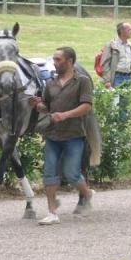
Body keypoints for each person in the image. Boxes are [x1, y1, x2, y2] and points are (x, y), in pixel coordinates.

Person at [30, 47, 95, 225]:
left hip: (74, 134)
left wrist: (65, 115)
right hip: (53, 134)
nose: (54, 63)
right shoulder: (50, 83)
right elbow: (47, 106)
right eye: (54, 59)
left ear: (70, 61)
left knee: (72, 174)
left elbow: (86, 106)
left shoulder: (82, 81)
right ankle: (52, 213)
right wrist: (38, 105)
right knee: (49, 173)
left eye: (58, 60)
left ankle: (87, 193)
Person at [100, 22, 131, 89]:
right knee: (116, 98)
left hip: (128, 77)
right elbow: (104, 64)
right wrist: (107, 80)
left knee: (126, 99)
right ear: (122, 31)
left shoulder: (130, 45)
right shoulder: (111, 45)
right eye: (129, 30)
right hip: (117, 77)